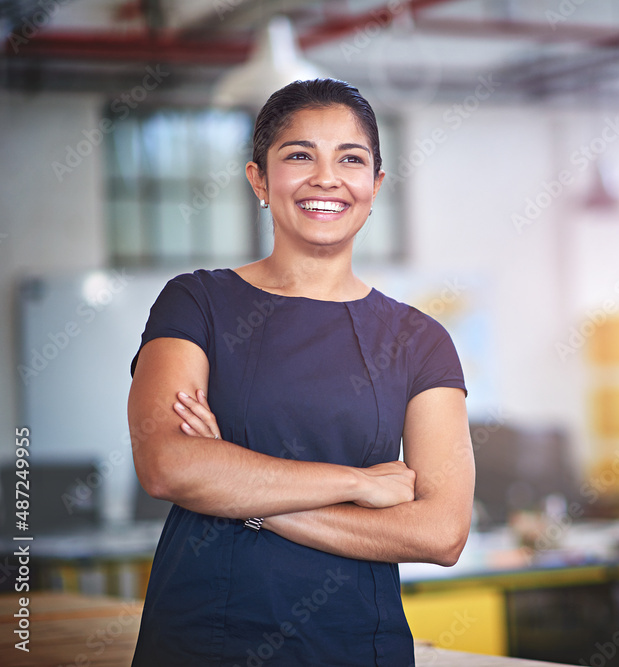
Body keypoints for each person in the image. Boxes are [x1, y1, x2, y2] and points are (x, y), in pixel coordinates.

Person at [127, 79, 475, 666]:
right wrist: (360, 483)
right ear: (259, 180)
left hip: (358, 646)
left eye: (351, 159)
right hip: (201, 641)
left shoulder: (420, 341)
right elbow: (166, 464)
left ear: (375, 185)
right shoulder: (197, 303)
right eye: (298, 155)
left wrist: (242, 492)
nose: (326, 178)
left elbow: (441, 532)